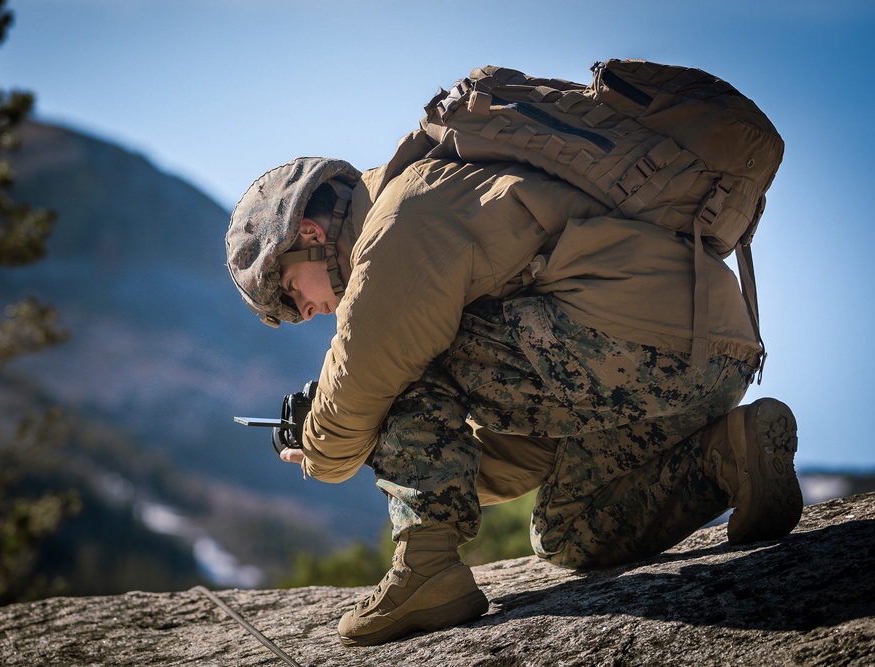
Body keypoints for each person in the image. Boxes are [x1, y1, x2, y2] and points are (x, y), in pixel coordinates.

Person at [225, 127, 802, 647]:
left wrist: (324, 444)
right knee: (571, 532)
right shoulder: (426, 206)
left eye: (294, 296)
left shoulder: (403, 218)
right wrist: (393, 449)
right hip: (706, 356)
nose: (310, 311)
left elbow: (364, 378)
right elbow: (506, 451)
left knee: (394, 360)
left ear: (308, 233)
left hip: (633, 343)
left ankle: (427, 570)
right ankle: (732, 452)